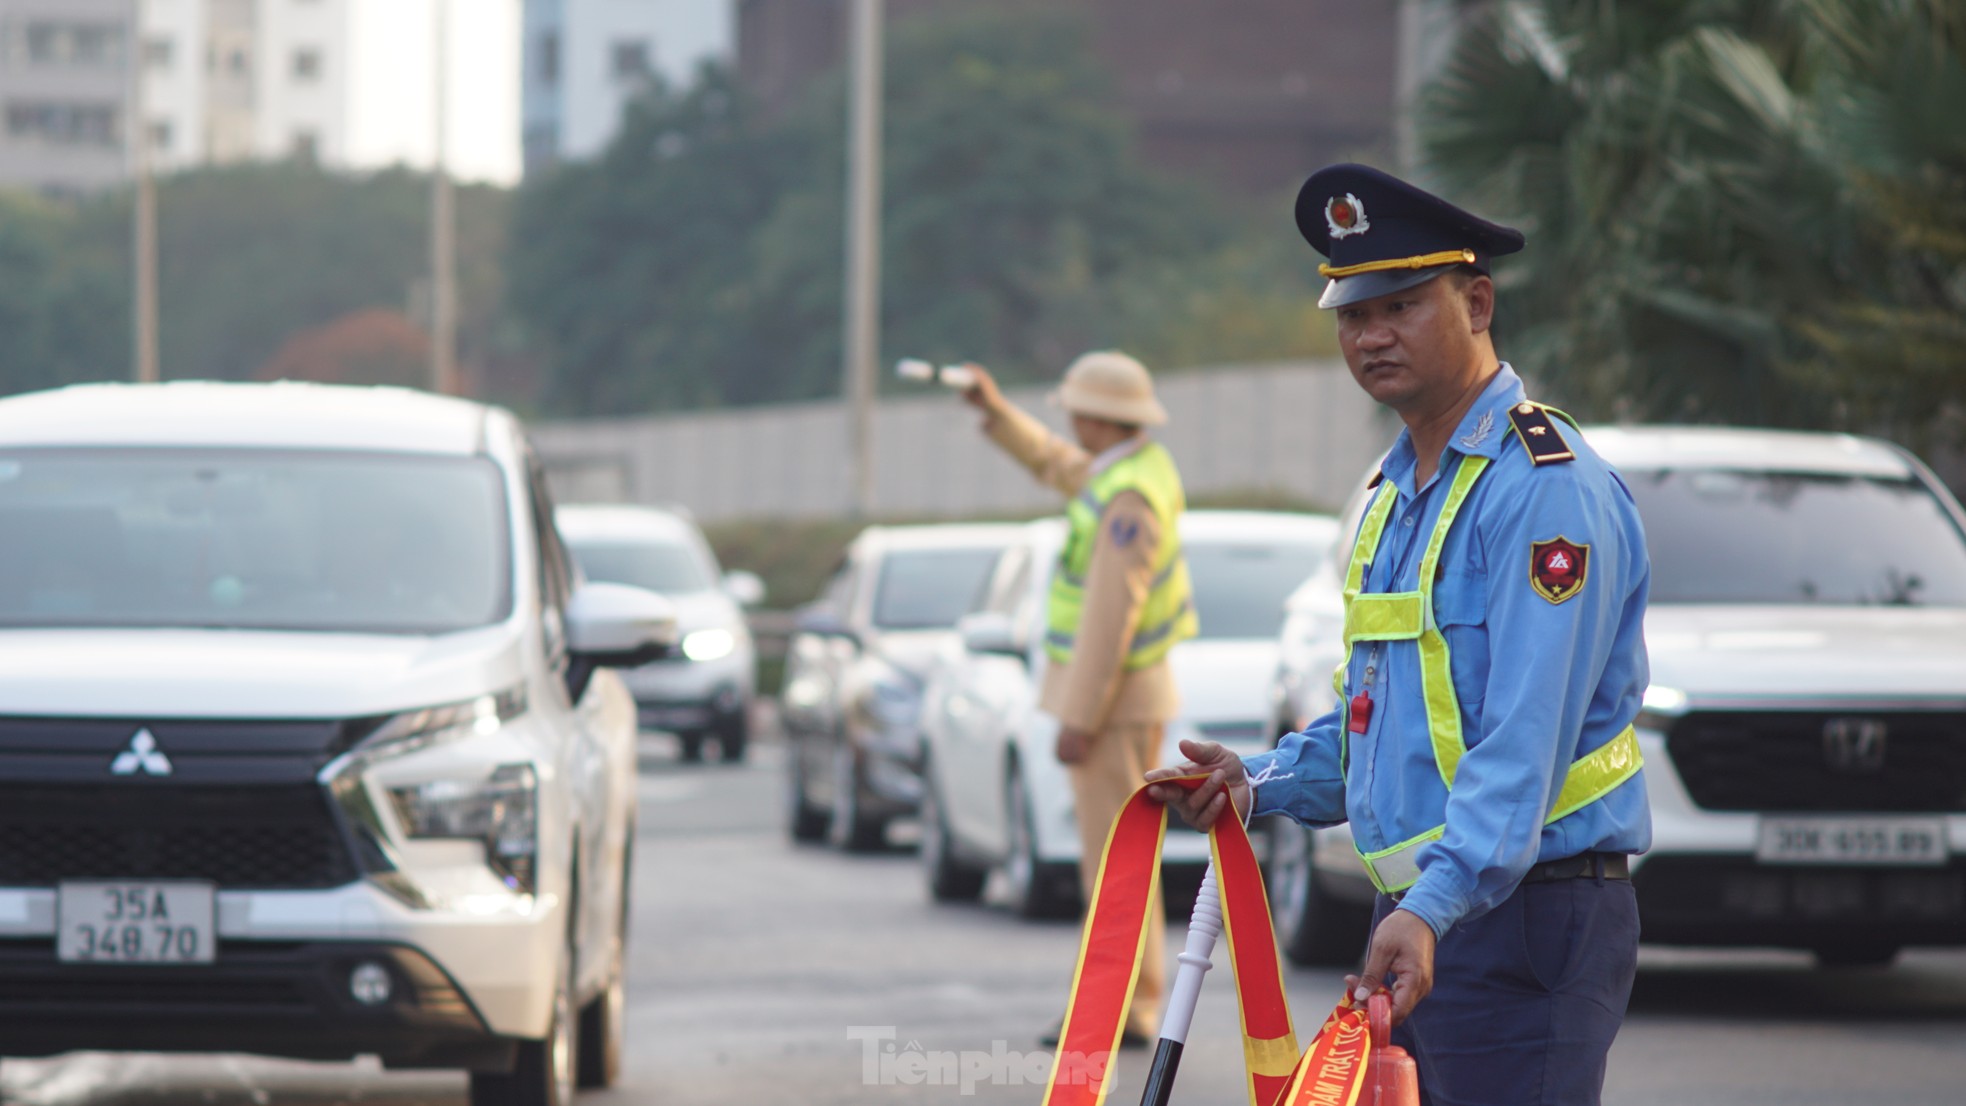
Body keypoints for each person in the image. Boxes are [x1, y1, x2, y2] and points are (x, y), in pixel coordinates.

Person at [1146, 163, 1652, 1106]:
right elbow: (1381, 720)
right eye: (1351, 315)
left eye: (1404, 305)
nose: (1372, 336)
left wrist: (1433, 904)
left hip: (1525, 913)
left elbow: (1523, 737)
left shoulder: (1543, 489)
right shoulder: (1397, 494)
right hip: (1433, 909)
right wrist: (1255, 784)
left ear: (1477, 302)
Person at [960, 351, 1198, 1048]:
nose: (1066, 419)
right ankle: (1127, 1004)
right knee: (1118, 864)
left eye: (1073, 408)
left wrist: (1079, 717)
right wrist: (995, 412)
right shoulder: (1123, 473)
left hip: (1115, 704)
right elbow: (1055, 463)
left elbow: (1107, 621)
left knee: (1114, 867)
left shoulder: (1128, 496)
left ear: (1098, 416)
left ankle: (1120, 1009)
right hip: (1125, 701)